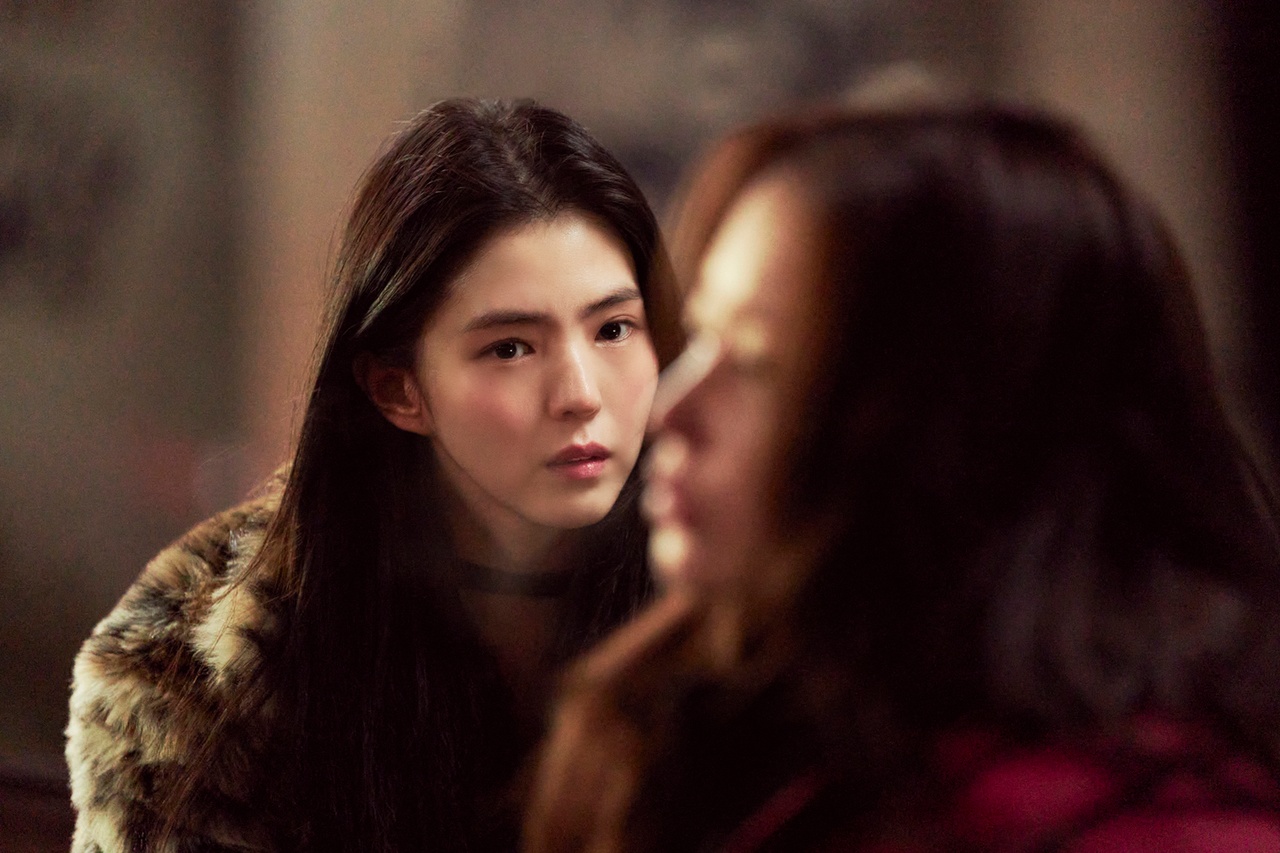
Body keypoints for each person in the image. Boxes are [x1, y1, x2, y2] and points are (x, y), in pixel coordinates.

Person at [524, 98, 1280, 852]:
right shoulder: (696, 726)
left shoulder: (1152, 824)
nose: (668, 410)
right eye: (701, 336)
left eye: (753, 360)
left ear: (952, 430)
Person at [65, 97, 683, 853]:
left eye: (613, 328)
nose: (581, 394)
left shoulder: (738, 621)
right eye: (511, 348)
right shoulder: (203, 694)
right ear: (398, 389)